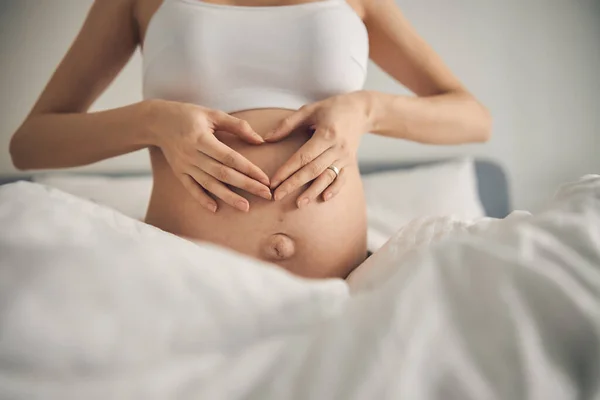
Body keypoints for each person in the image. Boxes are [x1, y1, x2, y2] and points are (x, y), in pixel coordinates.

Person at [9, 0, 491, 278]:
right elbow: (31, 144)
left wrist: (368, 109)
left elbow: (472, 118)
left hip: (343, 291)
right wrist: (152, 121)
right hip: (185, 288)